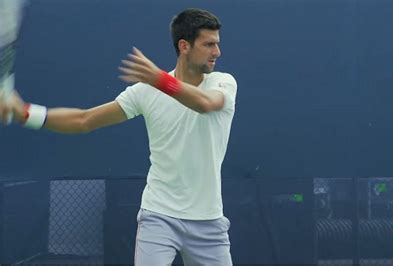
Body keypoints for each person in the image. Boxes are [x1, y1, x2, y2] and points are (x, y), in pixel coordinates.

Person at [0, 8, 236, 266]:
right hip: (159, 216)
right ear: (184, 46)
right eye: (209, 44)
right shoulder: (146, 91)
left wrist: (159, 80)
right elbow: (84, 120)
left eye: (217, 44)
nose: (217, 52)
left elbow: (204, 104)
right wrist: (25, 113)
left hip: (209, 223)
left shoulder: (223, 83)